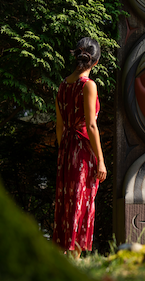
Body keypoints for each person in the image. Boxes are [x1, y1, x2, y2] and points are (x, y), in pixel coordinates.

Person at [53, 37, 107, 259]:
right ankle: (73, 260)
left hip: (66, 148)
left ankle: (62, 256)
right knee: (80, 201)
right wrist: (101, 160)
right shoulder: (88, 86)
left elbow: (59, 125)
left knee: (66, 201)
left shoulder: (63, 85)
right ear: (95, 62)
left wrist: (64, 149)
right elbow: (91, 124)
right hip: (83, 150)